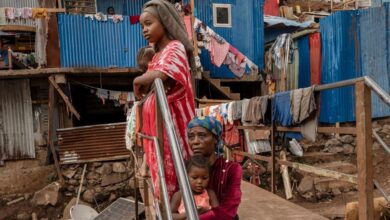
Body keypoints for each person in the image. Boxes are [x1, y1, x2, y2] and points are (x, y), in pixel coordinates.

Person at [133, 0, 196, 198]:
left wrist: (138, 79)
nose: (144, 29)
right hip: (159, 131)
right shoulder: (158, 55)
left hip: (173, 127)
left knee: (176, 181)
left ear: (165, 22)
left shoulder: (175, 48)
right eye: (142, 25)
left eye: (149, 23)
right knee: (162, 177)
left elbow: (161, 75)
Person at [187, 116, 242, 220]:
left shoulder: (232, 169)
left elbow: (228, 210)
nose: (195, 142)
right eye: (191, 137)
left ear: (216, 139)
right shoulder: (185, 167)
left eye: (202, 135)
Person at [171, 155, 219, 220]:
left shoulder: (210, 194)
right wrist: (189, 214)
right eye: (194, 178)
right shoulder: (180, 195)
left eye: (204, 178)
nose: (199, 181)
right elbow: (170, 215)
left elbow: (218, 212)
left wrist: (205, 211)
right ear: (186, 176)